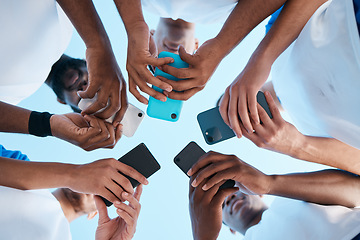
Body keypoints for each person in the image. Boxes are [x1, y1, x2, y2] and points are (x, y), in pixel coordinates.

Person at [219, 0, 360, 172]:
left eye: (235, 102)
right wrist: (296, 145)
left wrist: (260, 60)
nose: (245, 110)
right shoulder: (306, 132)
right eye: (239, 119)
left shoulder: (273, 42)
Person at [0, 0, 127, 151]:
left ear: (61, 101)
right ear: (86, 62)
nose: (84, 87)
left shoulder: (9, 98)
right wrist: (99, 46)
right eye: (95, 87)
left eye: (83, 98)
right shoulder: (67, 22)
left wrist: (49, 124)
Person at [113, 0, 288, 104]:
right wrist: (221, 45)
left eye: (159, 63)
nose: (171, 60)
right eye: (181, 67)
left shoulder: (138, 4)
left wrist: (134, 24)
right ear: (196, 46)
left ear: (150, 35)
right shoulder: (233, 17)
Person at [188, 151, 360, 240]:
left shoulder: (291, 194)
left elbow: (356, 189)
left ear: (258, 195)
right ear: (231, 229)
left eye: (233, 192)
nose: (230, 199)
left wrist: (269, 183)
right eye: (223, 205)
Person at [0, 145, 143, 240]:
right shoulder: (20, 165)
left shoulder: (62, 236)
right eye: (95, 183)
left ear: (94, 214)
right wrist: (72, 174)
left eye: (103, 190)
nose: (91, 188)